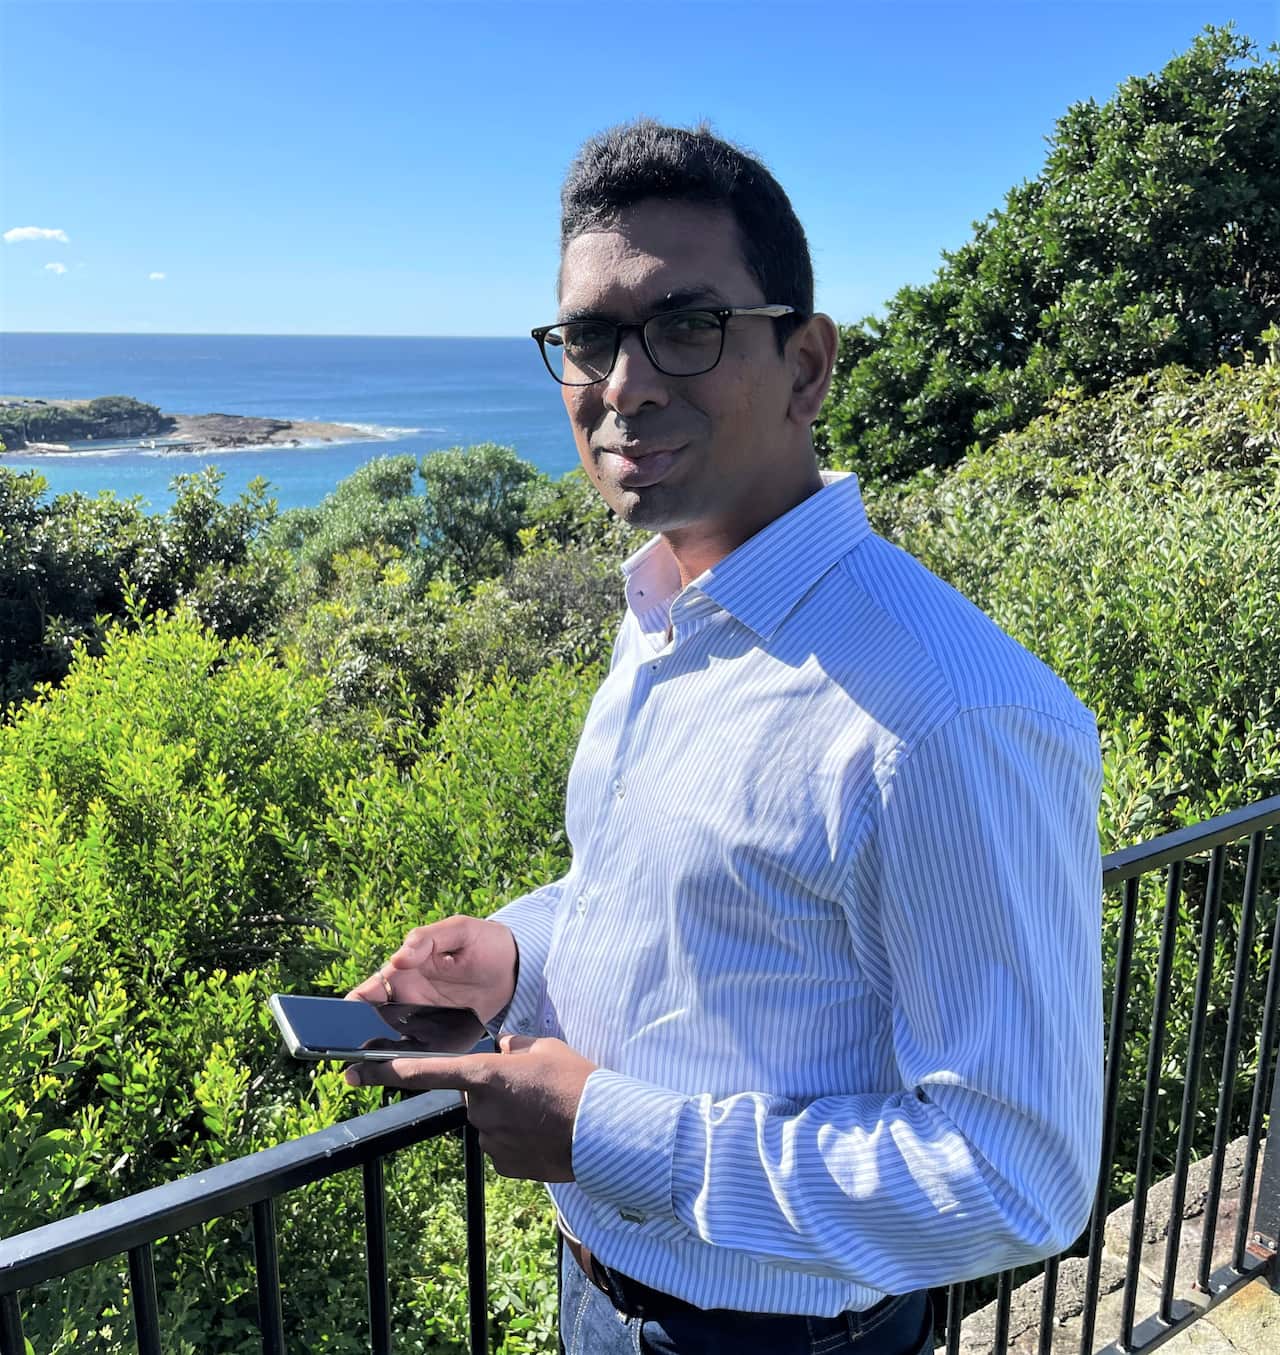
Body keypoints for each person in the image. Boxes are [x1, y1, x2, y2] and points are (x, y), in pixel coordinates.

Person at [346, 121, 1104, 1355]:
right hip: (597, 1292)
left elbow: (1015, 1177)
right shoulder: (663, 613)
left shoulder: (950, 714)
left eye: (684, 327)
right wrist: (509, 950)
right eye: (587, 336)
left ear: (804, 364)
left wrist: (605, 1134)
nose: (623, 382)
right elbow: (675, 898)